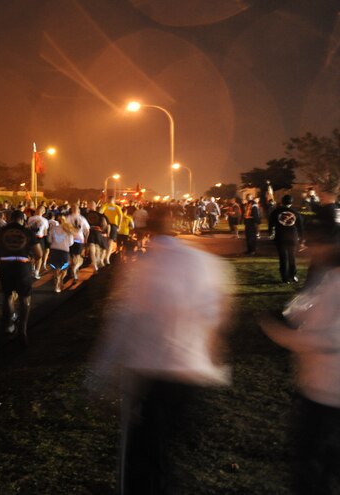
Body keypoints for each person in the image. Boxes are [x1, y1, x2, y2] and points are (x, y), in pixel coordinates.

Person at [87, 208, 234, 494]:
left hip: (150, 371)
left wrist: (100, 372)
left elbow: (121, 321)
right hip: (192, 371)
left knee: (142, 455)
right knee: (172, 450)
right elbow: (217, 314)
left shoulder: (142, 266)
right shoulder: (205, 261)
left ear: (147, 230)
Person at [258, 240, 340, 494]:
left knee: (315, 465)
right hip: (316, 389)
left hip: (328, 394)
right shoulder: (329, 282)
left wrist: (280, 334)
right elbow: (301, 308)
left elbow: (330, 339)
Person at [0, 210, 42, 344]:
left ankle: (9, 324)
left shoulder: (1, 231)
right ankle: (23, 330)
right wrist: (31, 259)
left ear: (10, 219)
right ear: (22, 220)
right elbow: (39, 253)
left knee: (8, 295)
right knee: (25, 298)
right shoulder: (28, 232)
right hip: (22, 265)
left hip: (5, 264)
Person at [268, 194, 305, 284]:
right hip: (292, 237)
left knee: (283, 258)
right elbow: (300, 227)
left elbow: (271, 224)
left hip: (280, 237)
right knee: (292, 257)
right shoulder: (295, 213)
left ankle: (285, 278)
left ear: (282, 201)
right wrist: (302, 240)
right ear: (291, 202)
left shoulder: (276, 212)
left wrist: (271, 233)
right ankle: (293, 276)